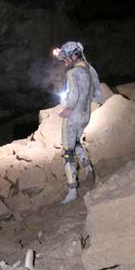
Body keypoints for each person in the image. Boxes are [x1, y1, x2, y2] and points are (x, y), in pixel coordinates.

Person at [52, 41, 103, 204]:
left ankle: (72, 191)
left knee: (67, 151)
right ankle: (88, 169)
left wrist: (68, 108)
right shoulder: (90, 69)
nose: (65, 63)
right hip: (85, 114)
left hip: (73, 116)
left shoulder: (72, 73)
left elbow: (73, 94)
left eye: (66, 59)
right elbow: (97, 93)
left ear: (73, 56)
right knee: (76, 142)